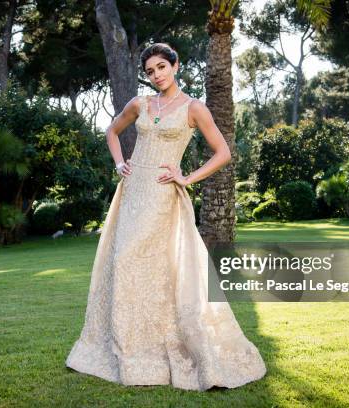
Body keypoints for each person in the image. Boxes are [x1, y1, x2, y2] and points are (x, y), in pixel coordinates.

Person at [65, 42, 267, 391]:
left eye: (161, 67)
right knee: (125, 262)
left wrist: (186, 178)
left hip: (162, 195)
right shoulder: (139, 104)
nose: (156, 75)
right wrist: (119, 164)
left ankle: (160, 346)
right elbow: (112, 132)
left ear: (175, 66)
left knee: (156, 269)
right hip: (132, 192)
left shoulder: (194, 108)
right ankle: (127, 348)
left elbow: (223, 152)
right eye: (150, 71)